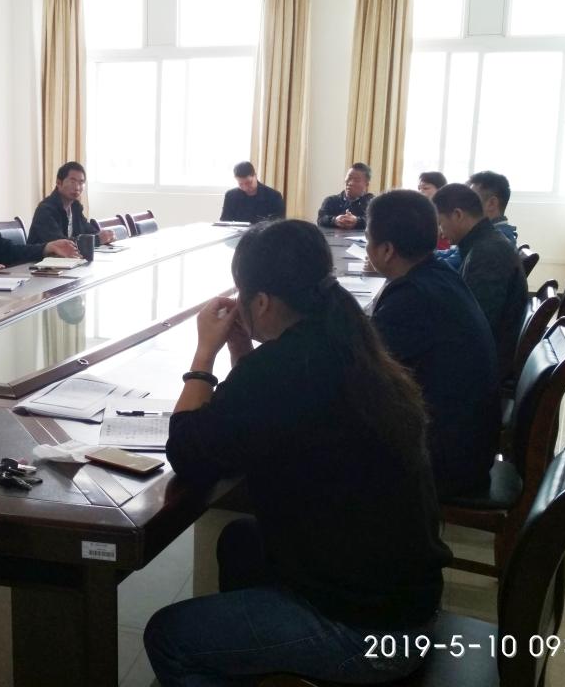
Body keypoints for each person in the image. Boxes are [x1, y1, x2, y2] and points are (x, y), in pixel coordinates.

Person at [144, 220, 451, 685]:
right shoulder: (343, 338)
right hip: (403, 597)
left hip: (370, 635)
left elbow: (188, 450)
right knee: (240, 541)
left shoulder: (284, 369)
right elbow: (255, 417)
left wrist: (204, 355)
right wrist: (242, 346)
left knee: (169, 637)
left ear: (261, 302)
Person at [366, 190, 499, 499]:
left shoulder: (412, 299)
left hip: (444, 461)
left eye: (368, 239)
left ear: (386, 250)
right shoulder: (438, 274)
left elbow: (360, 374)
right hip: (467, 443)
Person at [433, 184, 528, 378]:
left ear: (457, 215)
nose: (441, 232)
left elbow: (473, 326)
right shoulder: (484, 242)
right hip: (486, 355)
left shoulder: (488, 254)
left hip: (482, 369)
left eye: (441, 223)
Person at [436, 171, 517, 269]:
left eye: (473, 199)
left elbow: (451, 263)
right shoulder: (483, 235)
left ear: (492, 203)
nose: (464, 205)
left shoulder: (490, 246)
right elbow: (451, 253)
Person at [28, 162, 116, 247]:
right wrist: (97, 239)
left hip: (66, 257)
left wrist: (105, 236)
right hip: (41, 257)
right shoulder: (45, 210)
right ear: (59, 183)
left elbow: (88, 231)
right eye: (72, 182)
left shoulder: (75, 207)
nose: (77, 187)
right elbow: (61, 244)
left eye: (81, 183)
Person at [218, 161, 284, 223]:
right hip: (237, 231)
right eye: (241, 184)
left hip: (263, 231)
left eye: (248, 183)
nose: (245, 187)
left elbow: (278, 224)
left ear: (255, 175)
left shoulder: (274, 196)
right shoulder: (231, 196)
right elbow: (224, 222)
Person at [316, 163, 375, 229]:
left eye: (356, 180)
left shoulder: (372, 202)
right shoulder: (331, 200)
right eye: (349, 178)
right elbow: (320, 219)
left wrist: (357, 221)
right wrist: (334, 220)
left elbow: (377, 222)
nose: (350, 183)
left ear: (366, 184)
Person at [417, 171, 451, 250]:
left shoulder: (448, 212)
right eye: (419, 188)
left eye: (425, 188)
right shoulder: (420, 211)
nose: (420, 192)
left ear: (440, 189)